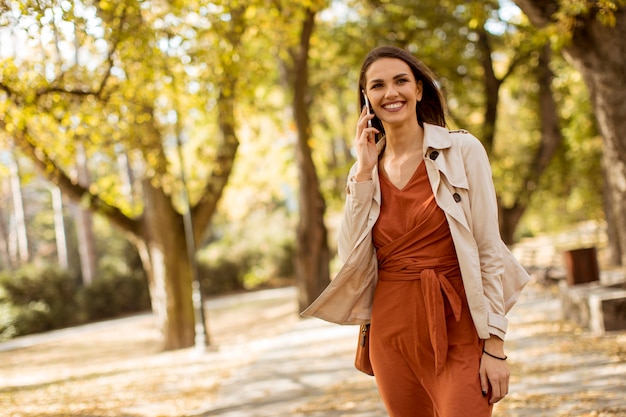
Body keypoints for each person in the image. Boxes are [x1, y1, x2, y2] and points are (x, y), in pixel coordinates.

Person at [302, 45, 529, 417]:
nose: (390, 93)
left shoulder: (462, 150)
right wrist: (362, 172)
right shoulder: (364, 170)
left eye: (401, 81)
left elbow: (488, 249)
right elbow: (349, 256)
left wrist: (495, 347)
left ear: (419, 89)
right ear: (366, 99)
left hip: (459, 326)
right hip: (391, 336)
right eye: (377, 86)